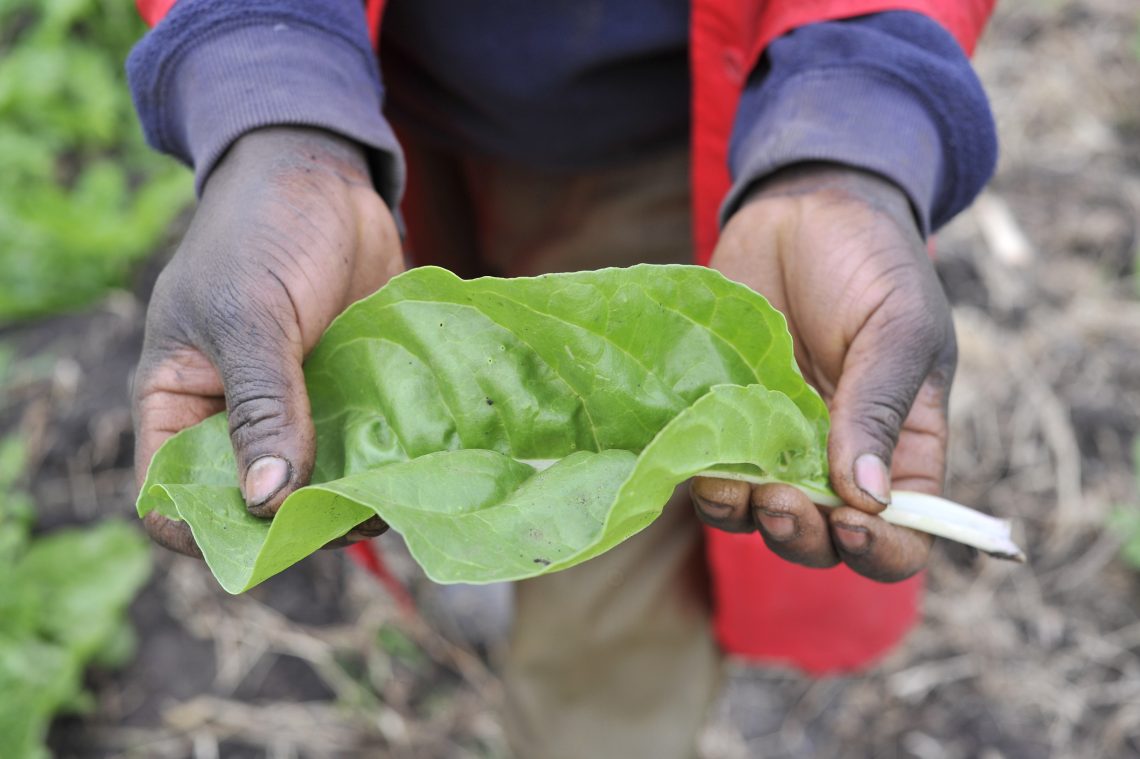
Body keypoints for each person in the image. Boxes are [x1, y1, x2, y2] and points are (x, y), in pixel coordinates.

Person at [127, 1, 998, 756]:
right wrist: (272, 88)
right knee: (424, 409)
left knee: (611, 631)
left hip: (693, 137)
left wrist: (854, 129)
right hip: (382, 114)